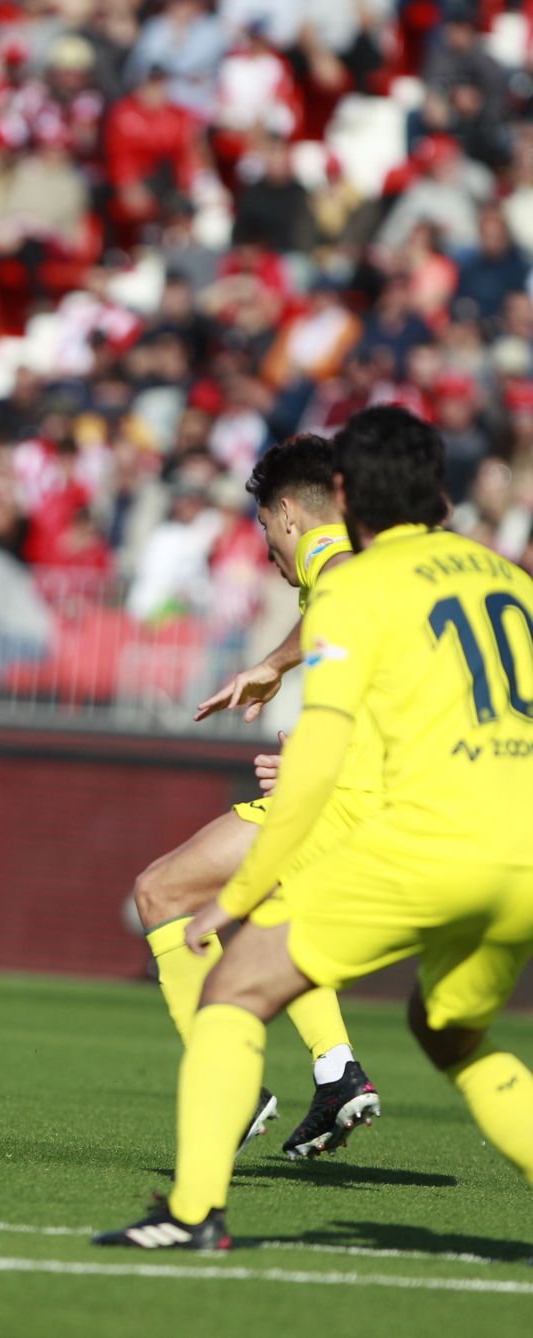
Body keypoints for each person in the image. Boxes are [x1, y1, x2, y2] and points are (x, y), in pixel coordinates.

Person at [97, 406, 533, 1250]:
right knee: (448, 1031)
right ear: (439, 488)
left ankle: (193, 1214)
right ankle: (333, 1076)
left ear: (343, 491)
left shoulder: (359, 584)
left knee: (231, 988)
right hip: (523, 851)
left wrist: (245, 895)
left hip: (428, 844)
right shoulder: (509, 580)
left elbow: (315, 758)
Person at [132, 436, 382, 1161]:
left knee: (161, 892)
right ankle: (335, 1072)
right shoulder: (350, 563)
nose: (266, 545)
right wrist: (273, 664)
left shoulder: (333, 572)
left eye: (265, 526)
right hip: (392, 798)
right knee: (272, 915)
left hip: (348, 794)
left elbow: (362, 662)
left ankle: (235, 1094)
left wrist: (312, 762)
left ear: (285, 515)